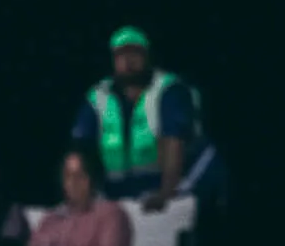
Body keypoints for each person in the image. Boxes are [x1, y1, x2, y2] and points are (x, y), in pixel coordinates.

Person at [72, 25, 214, 208]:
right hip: (119, 190)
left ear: (148, 56)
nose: (128, 60)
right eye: (121, 54)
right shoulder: (98, 96)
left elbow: (173, 142)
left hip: (175, 183)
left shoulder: (168, 90)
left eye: (135, 53)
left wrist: (165, 194)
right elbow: (80, 148)